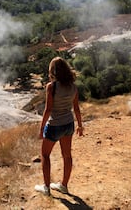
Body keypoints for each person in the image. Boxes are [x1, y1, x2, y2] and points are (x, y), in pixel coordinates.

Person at [35, 57, 83, 196]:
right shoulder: (73, 86)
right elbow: (76, 108)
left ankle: (46, 188)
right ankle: (64, 185)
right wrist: (80, 125)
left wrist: (41, 128)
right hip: (69, 124)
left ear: (53, 70)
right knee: (67, 156)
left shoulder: (52, 86)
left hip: (55, 125)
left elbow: (48, 109)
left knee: (45, 154)